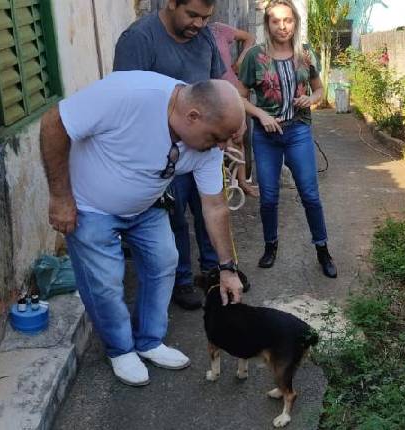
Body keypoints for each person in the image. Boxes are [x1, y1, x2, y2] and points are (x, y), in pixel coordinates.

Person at [39, 71, 245, 386]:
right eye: (216, 137)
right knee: (105, 283)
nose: (220, 147)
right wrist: (60, 196)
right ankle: (120, 349)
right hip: (90, 207)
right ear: (193, 116)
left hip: (146, 205)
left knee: (165, 261)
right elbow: (55, 122)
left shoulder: (206, 147)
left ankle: (149, 341)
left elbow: (215, 206)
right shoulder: (131, 94)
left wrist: (228, 268)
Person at [113, 0, 227, 310]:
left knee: (209, 212)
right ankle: (182, 280)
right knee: (173, 218)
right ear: (171, 2)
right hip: (164, 153)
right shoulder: (139, 39)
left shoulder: (204, 37)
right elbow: (125, 101)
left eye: (206, 17)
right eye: (192, 15)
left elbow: (218, 85)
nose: (199, 24)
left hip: (203, 149)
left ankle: (214, 272)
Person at [237, 0, 337, 278]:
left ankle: (322, 249)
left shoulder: (305, 54)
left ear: (295, 22)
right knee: (268, 198)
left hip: (298, 132)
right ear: (267, 24)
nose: (283, 27)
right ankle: (270, 246)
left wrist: (311, 98)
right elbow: (239, 96)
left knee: (310, 195)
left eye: (288, 20)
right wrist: (261, 115)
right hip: (266, 137)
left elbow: (318, 89)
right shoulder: (255, 56)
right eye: (276, 21)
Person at [208, 21, 259, 198]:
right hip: (209, 95)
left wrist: (242, 58)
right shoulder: (192, 36)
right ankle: (218, 187)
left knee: (239, 138)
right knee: (219, 141)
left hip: (233, 90)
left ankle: (243, 182)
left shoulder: (219, 29)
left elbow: (249, 38)